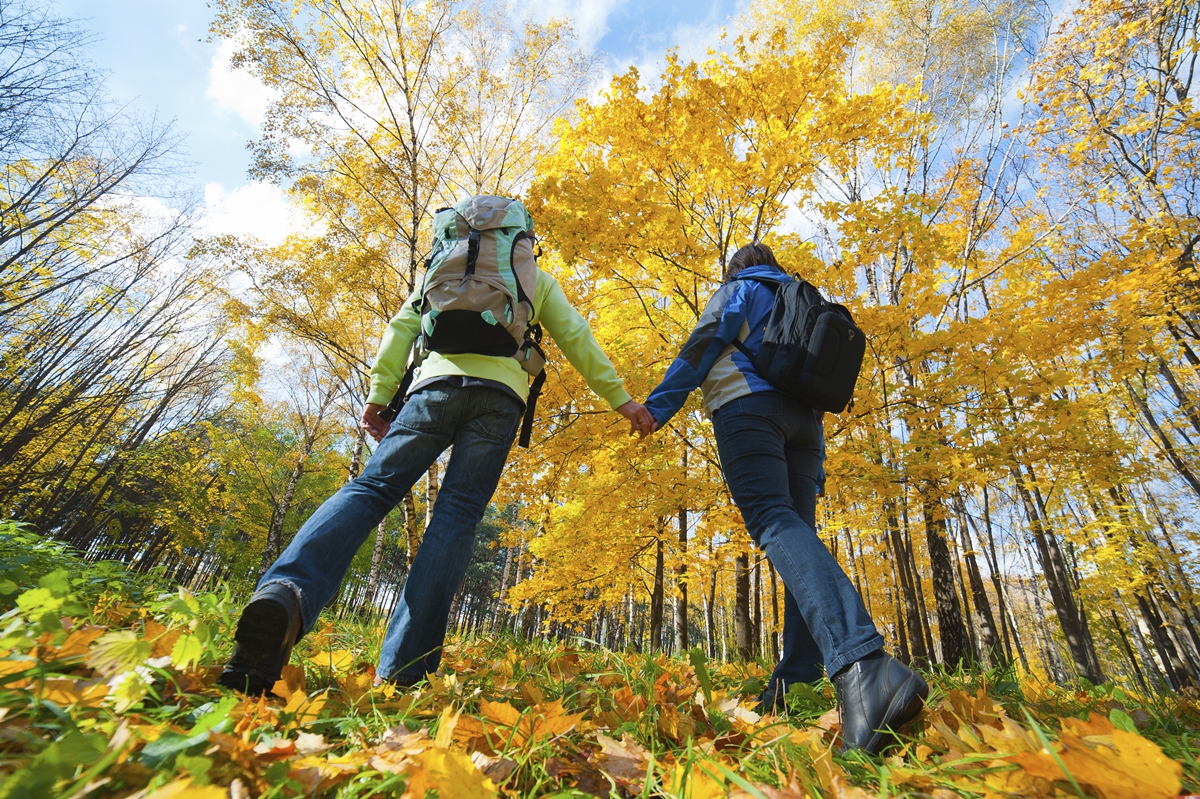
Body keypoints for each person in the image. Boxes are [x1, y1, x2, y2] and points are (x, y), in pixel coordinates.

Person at [218, 230, 657, 695]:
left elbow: (401, 330)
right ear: (521, 242)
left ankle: (286, 594)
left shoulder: (439, 273)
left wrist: (379, 395)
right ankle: (404, 671)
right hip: (500, 400)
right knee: (456, 514)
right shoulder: (534, 280)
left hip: (433, 389)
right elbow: (575, 335)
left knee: (371, 490)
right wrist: (622, 400)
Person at [643, 241, 927, 754]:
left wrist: (657, 407)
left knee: (773, 523)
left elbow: (703, 344)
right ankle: (795, 684)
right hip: (806, 426)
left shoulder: (740, 290)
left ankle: (865, 664)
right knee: (798, 533)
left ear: (737, 269)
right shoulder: (800, 295)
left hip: (747, 408)